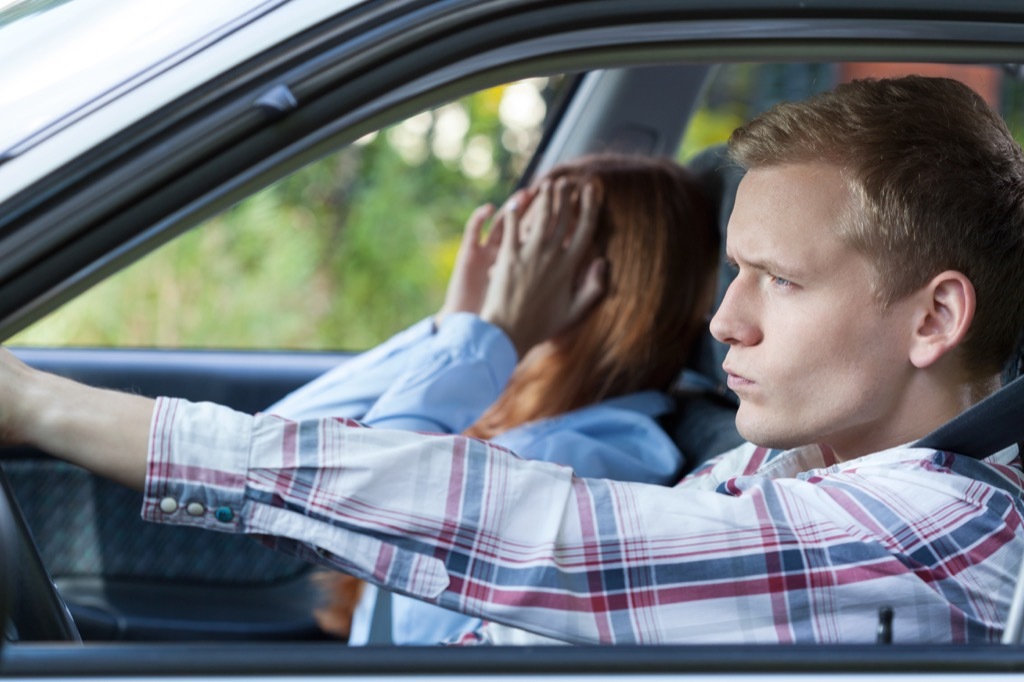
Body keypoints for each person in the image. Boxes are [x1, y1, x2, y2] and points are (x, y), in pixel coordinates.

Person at [3, 74, 1024, 644]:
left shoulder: (930, 532)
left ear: (932, 318)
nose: (722, 323)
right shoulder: (788, 463)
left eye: (780, 280)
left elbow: (549, 533)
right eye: (730, 271)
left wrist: (45, 406)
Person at [265, 154, 720, 644]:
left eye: (533, 244)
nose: (505, 263)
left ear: (596, 283)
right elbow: (275, 446)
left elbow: (341, 487)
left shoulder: (580, 462)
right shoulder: (516, 408)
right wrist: (453, 323)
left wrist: (494, 331)